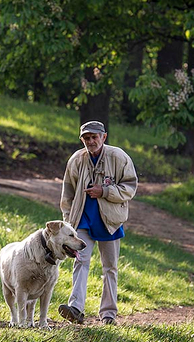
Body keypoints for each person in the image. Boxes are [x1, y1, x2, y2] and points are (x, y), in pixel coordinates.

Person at [57, 120, 138, 326]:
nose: (90, 141)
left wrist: (105, 191)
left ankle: (108, 314)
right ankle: (76, 308)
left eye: (94, 137)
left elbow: (130, 186)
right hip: (82, 219)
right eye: (86, 138)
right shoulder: (76, 159)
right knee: (80, 260)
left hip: (109, 220)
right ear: (82, 139)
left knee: (110, 267)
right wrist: (68, 223)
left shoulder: (118, 157)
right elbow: (67, 193)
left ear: (104, 137)